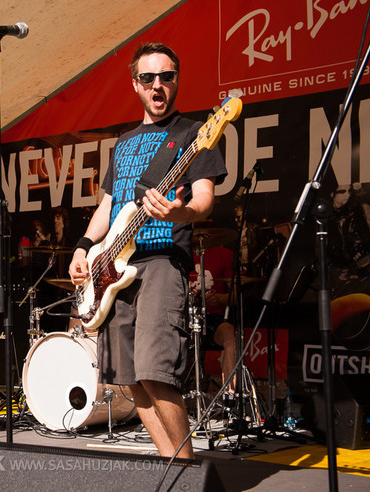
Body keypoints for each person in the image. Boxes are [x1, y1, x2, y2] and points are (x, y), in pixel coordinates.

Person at [68, 42, 227, 459]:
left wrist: (179, 211)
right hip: (112, 269)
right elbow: (108, 207)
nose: (158, 85)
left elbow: (205, 201)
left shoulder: (193, 134)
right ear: (134, 83)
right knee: (130, 380)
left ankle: (188, 472)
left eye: (166, 77)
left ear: (177, 80)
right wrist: (84, 248)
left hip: (161, 261)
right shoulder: (122, 144)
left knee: (156, 374)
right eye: (148, 78)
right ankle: (168, 465)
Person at [189, 245, 237, 393]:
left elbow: (236, 295)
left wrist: (220, 299)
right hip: (187, 316)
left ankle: (230, 396)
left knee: (229, 334)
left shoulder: (225, 253)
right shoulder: (181, 251)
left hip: (214, 318)